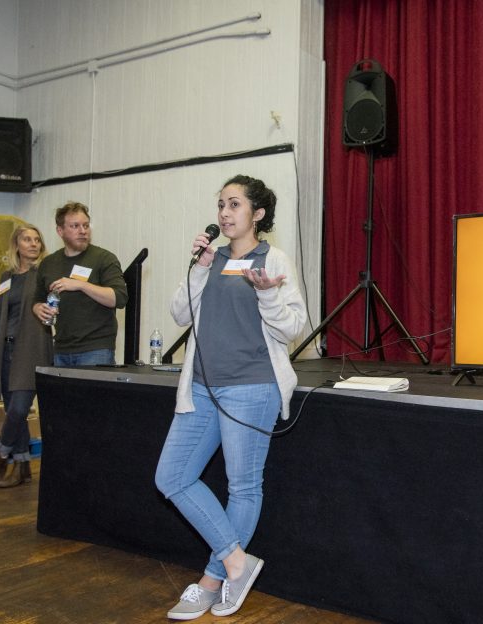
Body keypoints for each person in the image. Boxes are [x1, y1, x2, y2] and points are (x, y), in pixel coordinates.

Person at [154, 175, 307, 620]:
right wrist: (200, 266)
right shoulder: (213, 258)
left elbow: (293, 328)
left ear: (257, 214)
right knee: (172, 476)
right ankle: (236, 561)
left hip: (252, 387)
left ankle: (211, 579)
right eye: (221, 204)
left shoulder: (272, 257)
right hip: (201, 386)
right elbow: (181, 313)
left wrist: (268, 295)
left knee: (242, 486)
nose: (224, 213)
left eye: (234, 205)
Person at [0, 224, 53, 488]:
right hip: (6, 349)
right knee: (13, 410)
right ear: (17, 245)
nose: (33, 244)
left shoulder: (44, 274)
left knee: (19, 408)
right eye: (27, 239)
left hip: (32, 348)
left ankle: (1, 451)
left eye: (37, 239)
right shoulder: (6, 277)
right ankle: (21, 466)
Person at [33, 201, 128, 366]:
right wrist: (39, 309)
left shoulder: (104, 258)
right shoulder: (49, 263)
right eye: (75, 226)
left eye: (86, 225)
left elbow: (118, 298)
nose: (83, 231)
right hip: (61, 349)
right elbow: (37, 300)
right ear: (60, 231)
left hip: (96, 349)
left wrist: (80, 285)